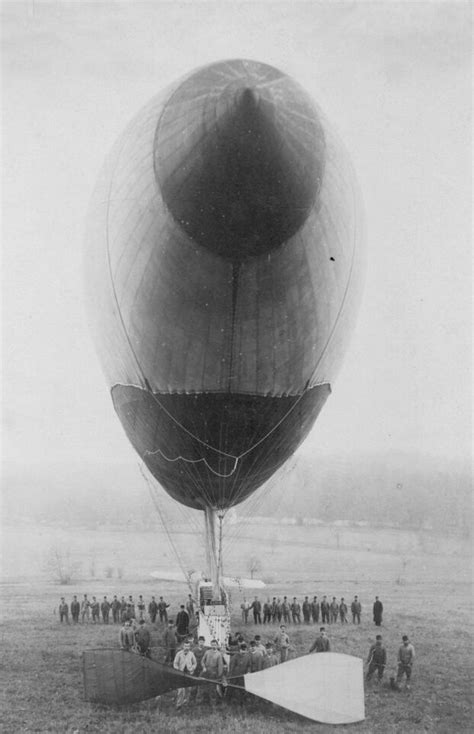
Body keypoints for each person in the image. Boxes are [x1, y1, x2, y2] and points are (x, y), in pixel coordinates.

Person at [198, 639, 224, 706]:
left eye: (215, 645)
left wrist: (219, 675)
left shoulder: (219, 654)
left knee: (212, 688)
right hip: (206, 670)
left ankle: (213, 703)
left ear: (217, 645)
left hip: (213, 672)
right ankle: (199, 701)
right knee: (200, 685)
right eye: (212, 645)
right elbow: (202, 661)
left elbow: (220, 666)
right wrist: (203, 667)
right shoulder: (207, 652)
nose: (213, 646)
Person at [173, 640, 197, 709]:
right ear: (183, 646)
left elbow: (195, 663)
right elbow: (175, 663)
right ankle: (179, 705)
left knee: (188, 689)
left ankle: (186, 703)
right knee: (180, 690)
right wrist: (177, 670)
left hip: (189, 674)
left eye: (188, 646)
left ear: (189, 647)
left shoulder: (191, 654)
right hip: (181, 674)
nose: (187, 647)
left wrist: (192, 668)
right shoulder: (179, 654)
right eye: (185, 646)